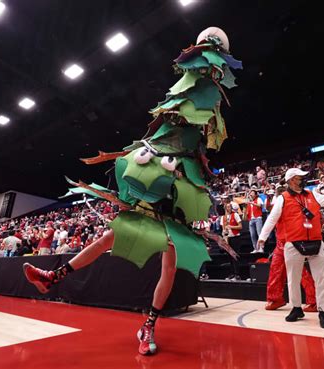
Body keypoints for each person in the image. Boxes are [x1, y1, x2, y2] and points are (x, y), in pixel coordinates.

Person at [22, 27, 242, 356]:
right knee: (108, 238)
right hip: (157, 180)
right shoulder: (177, 98)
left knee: (168, 264)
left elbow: (208, 143)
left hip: (181, 191)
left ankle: (148, 325)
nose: (203, 67)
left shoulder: (212, 108)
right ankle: (54, 276)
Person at [257, 168, 324, 329]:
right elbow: (272, 219)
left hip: (315, 242)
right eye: (300, 177)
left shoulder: (313, 194)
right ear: (292, 180)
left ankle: (323, 312)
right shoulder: (283, 198)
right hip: (293, 244)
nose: (304, 179)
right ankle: (296, 308)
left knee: (321, 279)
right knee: (293, 279)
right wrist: (262, 237)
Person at [265, 185, 317, 311]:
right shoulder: (277, 205)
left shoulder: (296, 206)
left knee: (301, 274)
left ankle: (314, 301)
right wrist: (268, 196)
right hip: (280, 244)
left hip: (293, 243)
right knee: (275, 271)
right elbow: (269, 209)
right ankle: (275, 299)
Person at [221, 202, 242, 281]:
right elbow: (223, 228)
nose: (228, 208)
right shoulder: (223, 217)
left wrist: (231, 227)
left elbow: (240, 226)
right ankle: (232, 273)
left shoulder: (235, 215)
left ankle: (237, 274)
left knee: (234, 256)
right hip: (227, 238)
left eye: (229, 207)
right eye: (226, 207)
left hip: (235, 237)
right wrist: (224, 235)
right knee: (229, 257)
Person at [245, 188, 264, 253]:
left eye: (252, 193)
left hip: (258, 218)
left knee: (259, 233)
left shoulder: (258, 199)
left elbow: (260, 205)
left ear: (255, 195)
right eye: (251, 193)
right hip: (251, 219)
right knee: (252, 234)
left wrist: (252, 203)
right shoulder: (249, 202)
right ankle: (255, 248)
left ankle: (261, 248)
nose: (251, 194)